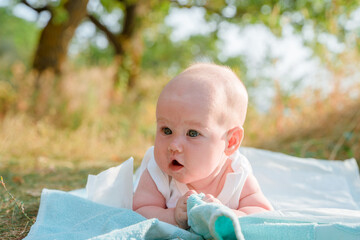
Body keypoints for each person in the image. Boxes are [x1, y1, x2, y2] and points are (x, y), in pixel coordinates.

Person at [133, 63, 273, 229]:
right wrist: (172, 216)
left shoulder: (236, 173)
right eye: (167, 130)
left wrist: (227, 214)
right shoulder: (158, 171)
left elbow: (262, 213)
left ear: (231, 142)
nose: (174, 145)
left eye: (192, 133)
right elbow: (139, 210)